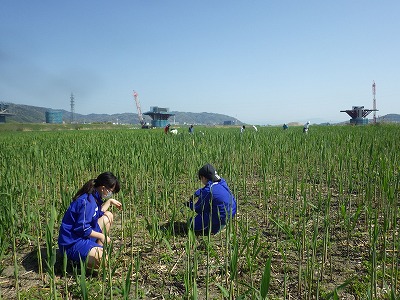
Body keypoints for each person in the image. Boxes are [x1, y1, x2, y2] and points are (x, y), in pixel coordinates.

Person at [58, 172, 122, 269]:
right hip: (73, 242)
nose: (110, 194)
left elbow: (96, 214)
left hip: (83, 236)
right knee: (103, 260)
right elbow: (83, 228)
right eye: (110, 191)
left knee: (108, 216)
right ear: (103, 188)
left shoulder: (94, 197)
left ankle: (95, 250)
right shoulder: (87, 202)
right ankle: (78, 262)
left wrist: (109, 202)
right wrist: (102, 236)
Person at [186, 164, 237, 235]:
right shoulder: (222, 182)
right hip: (230, 214)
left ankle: (214, 228)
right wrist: (197, 193)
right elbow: (210, 189)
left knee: (190, 223)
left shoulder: (208, 191)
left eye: (200, 178)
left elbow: (199, 209)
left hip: (219, 218)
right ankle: (221, 225)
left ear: (203, 177)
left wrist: (189, 204)